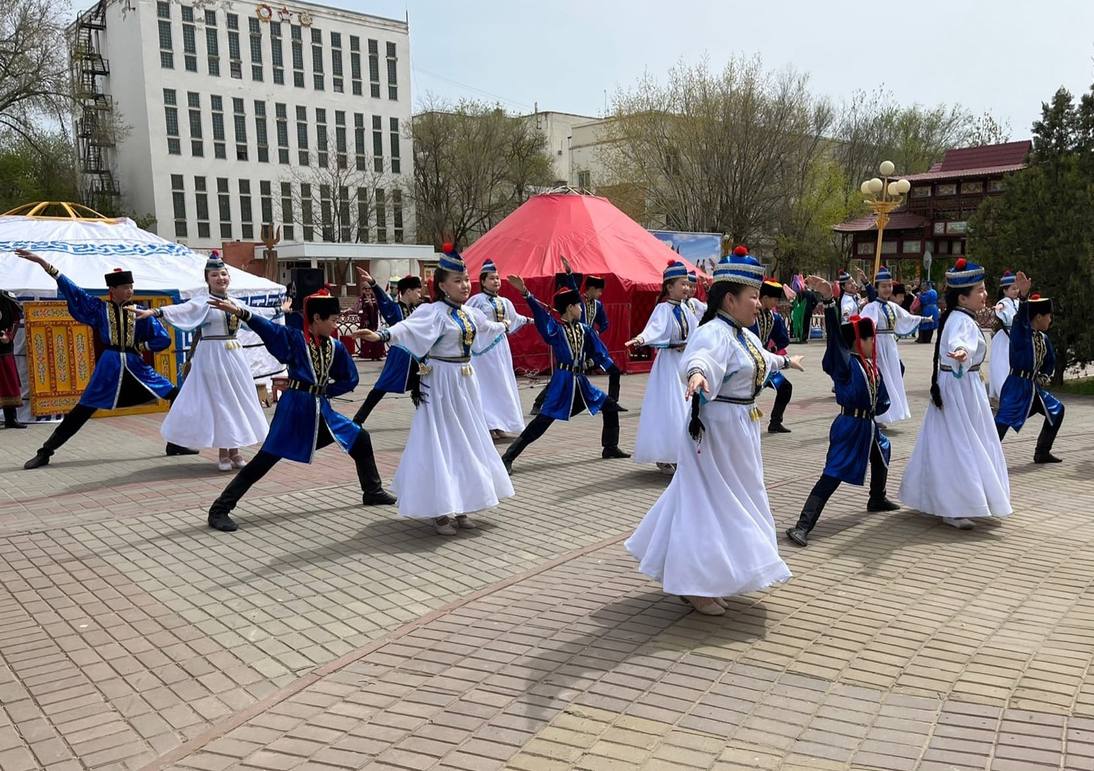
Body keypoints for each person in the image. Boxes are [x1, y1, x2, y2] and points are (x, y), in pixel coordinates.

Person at [624, 248, 804, 616]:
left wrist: (787, 361)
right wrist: (697, 375)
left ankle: (711, 576)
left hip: (740, 431)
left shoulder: (743, 335)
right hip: (716, 431)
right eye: (752, 297)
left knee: (730, 500)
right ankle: (696, 584)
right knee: (707, 504)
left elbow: (763, 360)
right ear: (730, 299)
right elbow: (701, 358)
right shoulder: (714, 332)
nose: (757, 304)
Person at [205, 289, 396, 531]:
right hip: (295, 411)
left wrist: (327, 390)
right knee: (266, 459)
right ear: (317, 318)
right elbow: (269, 329)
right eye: (333, 320)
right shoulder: (295, 340)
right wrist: (243, 313)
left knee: (360, 438)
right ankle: (220, 509)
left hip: (321, 412)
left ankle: (372, 490)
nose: (336, 325)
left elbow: (350, 378)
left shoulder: (335, 347)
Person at [356, 245, 513, 534]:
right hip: (440, 382)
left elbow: (490, 328)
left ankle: (464, 504)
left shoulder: (469, 313)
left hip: (466, 382)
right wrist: (381, 335)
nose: (464, 285)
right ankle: (441, 511)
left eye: (466, 279)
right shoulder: (433, 312)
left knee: (468, 440)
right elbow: (407, 328)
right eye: (457, 280)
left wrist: (511, 324)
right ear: (441, 285)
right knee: (441, 441)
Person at [15, 249, 197, 469]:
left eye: (131, 287)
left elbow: (163, 340)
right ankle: (45, 452)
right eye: (125, 287)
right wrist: (45, 264)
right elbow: (74, 291)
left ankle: (175, 443)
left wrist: (140, 346)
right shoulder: (99, 309)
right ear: (113, 290)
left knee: (176, 395)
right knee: (83, 410)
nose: (130, 291)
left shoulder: (139, 313)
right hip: (109, 365)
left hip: (135, 364)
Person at [129, 254, 281, 471]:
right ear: (207, 279)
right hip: (212, 356)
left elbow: (256, 315)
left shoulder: (235, 302)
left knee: (236, 401)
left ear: (229, 277)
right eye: (214, 275)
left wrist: (279, 311)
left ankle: (235, 451)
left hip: (234, 356)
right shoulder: (203, 302)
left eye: (223, 274)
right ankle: (223, 453)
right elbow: (182, 310)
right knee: (219, 403)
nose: (220, 278)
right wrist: (155, 311)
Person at [899, 258, 1011, 529]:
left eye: (985, 289)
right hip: (959, 389)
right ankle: (955, 504)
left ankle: (952, 500)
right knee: (958, 444)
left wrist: (963, 353)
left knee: (952, 442)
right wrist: (962, 351)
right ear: (962, 297)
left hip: (962, 386)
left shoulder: (959, 316)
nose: (985, 295)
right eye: (980, 291)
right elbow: (958, 342)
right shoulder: (960, 320)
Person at [785, 278, 898, 547]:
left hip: (868, 425)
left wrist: (880, 408)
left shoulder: (871, 367)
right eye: (869, 338)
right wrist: (830, 303)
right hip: (849, 426)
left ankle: (877, 497)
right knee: (833, 472)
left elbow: (881, 400)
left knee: (882, 451)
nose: (874, 342)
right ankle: (803, 525)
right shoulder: (846, 366)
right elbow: (835, 337)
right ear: (858, 341)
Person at [501, 275, 631, 474]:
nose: (581, 309)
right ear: (570, 308)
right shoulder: (555, 330)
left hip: (582, 383)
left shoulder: (585, 329)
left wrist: (610, 367)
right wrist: (526, 293)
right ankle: (508, 458)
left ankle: (610, 447)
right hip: (563, 383)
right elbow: (541, 315)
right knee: (542, 422)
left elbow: (599, 351)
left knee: (610, 407)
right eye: (578, 306)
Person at [625, 260, 698, 472]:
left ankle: (682, 454)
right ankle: (668, 455)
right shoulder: (663, 309)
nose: (686, 288)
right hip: (668, 365)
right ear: (669, 287)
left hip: (683, 363)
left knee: (685, 408)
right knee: (671, 408)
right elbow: (653, 330)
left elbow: (697, 332)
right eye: (682, 284)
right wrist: (639, 340)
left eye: (687, 284)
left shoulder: (686, 309)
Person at [530, 259, 616, 415]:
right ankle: (540, 403)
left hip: (587, 339)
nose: (600, 294)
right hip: (573, 336)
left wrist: (597, 332)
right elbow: (573, 287)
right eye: (599, 291)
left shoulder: (598, 305)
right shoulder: (577, 300)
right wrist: (569, 273)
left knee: (612, 369)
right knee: (565, 373)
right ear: (590, 289)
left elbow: (604, 322)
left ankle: (611, 402)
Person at [995, 273, 1065, 463]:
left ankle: (1042, 452)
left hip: (1033, 387)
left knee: (1057, 410)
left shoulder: (1043, 338)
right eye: (1049, 316)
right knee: (1001, 422)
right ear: (1039, 316)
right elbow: (1020, 320)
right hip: (1016, 386)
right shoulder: (1020, 334)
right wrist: (1024, 297)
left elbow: (1050, 361)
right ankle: (984, 455)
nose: (1050, 320)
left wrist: (1044, 375)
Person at [466, 258, 532, 439]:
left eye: (497, 278)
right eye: (491, 278)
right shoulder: (476, 301)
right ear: (482, 281)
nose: (496, 281)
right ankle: (487, 424)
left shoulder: (505, 302)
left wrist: (531, 320)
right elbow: (468, 319)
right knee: (485, 386)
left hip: (500, 349)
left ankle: (501, 423)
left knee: (502, 384)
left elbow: (515, 318)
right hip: (481, 352)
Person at [858, 266, 929, 426]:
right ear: (876, 288)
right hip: (877, 347)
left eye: (889, 286)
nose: (887, 289)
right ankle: (876, 414)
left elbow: (907, 317)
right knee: (880, 379)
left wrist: (923, 319)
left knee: (893, 377)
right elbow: (863, 324)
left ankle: (886, 413)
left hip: (890, 346)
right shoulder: (871, 307)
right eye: (883, 286)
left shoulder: (892, 306)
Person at [351, 272, 424, 424]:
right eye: (417, 291)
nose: (420, 294)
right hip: (401, 355)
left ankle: (426, 420)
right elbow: (383, 300)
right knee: (381, 387)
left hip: (417, 357)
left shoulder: (417, 311)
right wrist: (373, 284)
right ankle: (358, 419)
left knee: (425, 386)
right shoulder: (395, 308)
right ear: (408, 291)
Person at [749, 277, 795, 433]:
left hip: (765, 365)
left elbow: (784, 339)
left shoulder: (774, 318)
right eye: (775, 299)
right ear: (765, 298)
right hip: (748, 364)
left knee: (785, 387)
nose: (776, 303)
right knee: (747, 394)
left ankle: (775, 422)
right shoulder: (749, 315)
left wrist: (773, 350)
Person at [988, 270, 1021, 402]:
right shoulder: (1005, 302)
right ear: (1005, 290)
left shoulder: (1019, 302)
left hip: (1017, 337)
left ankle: (1014, 393)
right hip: (1005, 338)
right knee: (1002, 365)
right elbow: (1000, 307)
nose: (1016, 291)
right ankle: (1003, 392)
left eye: (1017, 288)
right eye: (1013, 289)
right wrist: (999, 308)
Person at [0, 290, 25, 428]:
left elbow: (16, 319)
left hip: (4, 350)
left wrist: (8, 337)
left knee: (8, 384)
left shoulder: (5, 298)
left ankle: (11, 419)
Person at [352, 285, 386, 361]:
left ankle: (378, 354)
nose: (367, 290)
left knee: (377, 336)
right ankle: (368, 354)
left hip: (375, 321)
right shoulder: (361, 299)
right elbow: (356, 309)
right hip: (366, 322)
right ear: (363, 290)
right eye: (365, 289)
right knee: (367, 336)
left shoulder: (375, 298)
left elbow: (380, 307)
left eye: (369, 289)